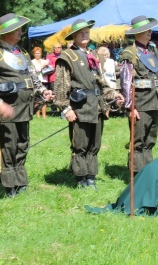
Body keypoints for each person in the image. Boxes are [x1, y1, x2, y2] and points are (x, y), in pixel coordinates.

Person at [0, 13, 54, 198]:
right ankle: (9, 184)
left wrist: (43, 91)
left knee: (23, 144)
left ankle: (20, 181)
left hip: (24, 108)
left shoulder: (23, 53)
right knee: (8, 146)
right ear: (8, 32)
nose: (21, 32)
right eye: (18, 29)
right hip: (6, 110)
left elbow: (33, 79)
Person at [54, 19, 124, 189]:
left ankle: (91, 176)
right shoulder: (67, 56)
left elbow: (100, 82)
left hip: (97, 106)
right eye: (81, 33)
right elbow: (61, 86)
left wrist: (113, 94)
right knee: (81, 144)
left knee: (95, 143)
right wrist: (66, 108)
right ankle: (80, 178)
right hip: (80, 106)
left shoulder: (92, 55)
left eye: (87, 32)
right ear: (74, 36)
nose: (85, 35)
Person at [120, 15, 158, 174]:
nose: (149, 32)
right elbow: (126, 81)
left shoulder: (153, 50)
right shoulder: (129, 53)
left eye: (150, 29)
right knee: (138, 140)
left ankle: (148, 171)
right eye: (145, 30)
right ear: (137, 33)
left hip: (154, 101)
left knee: (150, 139)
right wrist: (130, 107)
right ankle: (136, 174)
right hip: (140, 103)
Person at [31, 46, 50, 119]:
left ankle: (44, 115)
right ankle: (38, 115)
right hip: (36, 82)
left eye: (39, 53)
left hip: (44, 80)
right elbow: (36, 70)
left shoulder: (44, 61)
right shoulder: (32, 62)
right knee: (37, 99)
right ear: (33, 54)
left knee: (45, 99)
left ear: (41, 54)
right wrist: (42, 66)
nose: (37, 55)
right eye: (36, 53)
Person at [45, 43, 62, 116]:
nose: (57, 49)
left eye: (59, 47)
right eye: (55, 47)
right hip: (53, 79)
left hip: (62, 79)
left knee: (62, 95)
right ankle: (54, 111)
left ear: (61, 48)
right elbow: (49, 67)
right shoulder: (49, 56)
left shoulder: (64, 56)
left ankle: (62, 111)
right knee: (53, 95)